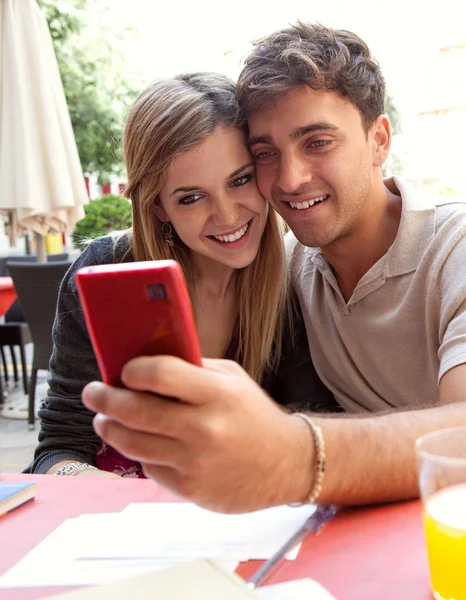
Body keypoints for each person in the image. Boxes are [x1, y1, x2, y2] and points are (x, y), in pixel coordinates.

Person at [79, 22, 466, 513]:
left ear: (379, 140)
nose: (290, 178)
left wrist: (292, 454)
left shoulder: (455, 248)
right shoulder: (290, 272)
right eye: (265, 154)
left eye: (318, 142)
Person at [26, 72, 338, 478]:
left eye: (240, 180)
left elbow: (315, 429)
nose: (227, 216)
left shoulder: (288, 284)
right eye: (191, 197)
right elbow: (59, 448)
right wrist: (110, 497)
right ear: (158, 208)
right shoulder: (107, 272)